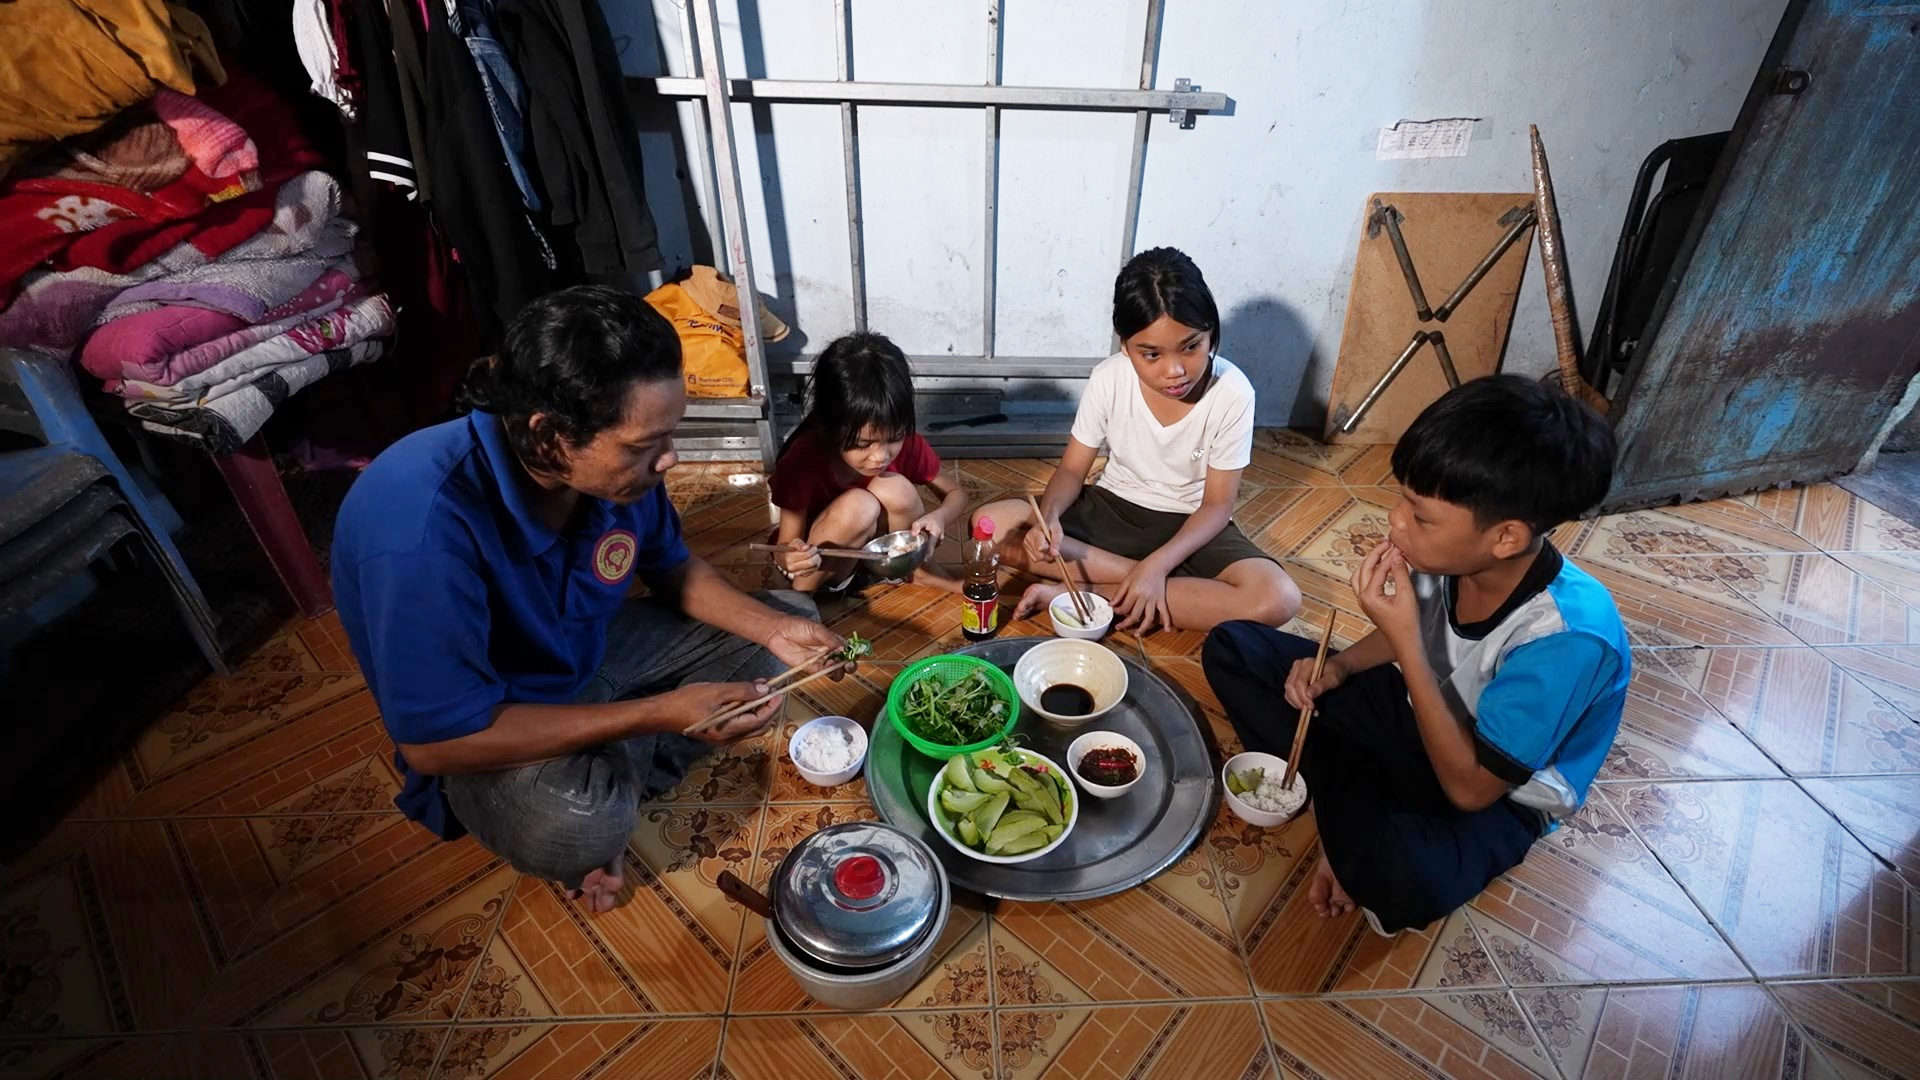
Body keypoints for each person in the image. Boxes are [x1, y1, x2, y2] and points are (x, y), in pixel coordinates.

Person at [332, 285, 847, 914]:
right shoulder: (419, 524)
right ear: (549, 436)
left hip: (589, 656)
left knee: (793, 623)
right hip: (495, 718)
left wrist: (769, 630)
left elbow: (672, 567)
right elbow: (434, 743)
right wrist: (658, 712)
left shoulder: (616, 476)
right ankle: (616, 763)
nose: (670, 459)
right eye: (642, 445)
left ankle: (612, 757)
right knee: (578, 825)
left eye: (670, 434)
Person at [1202, 375, 1628, 935]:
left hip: (1495, 793)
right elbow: (1424, 636)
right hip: (1417, 717)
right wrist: (1340, 667)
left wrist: (1402, 637)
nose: (1396, 521)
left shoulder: (1566, 638)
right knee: (1235, 647)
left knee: (1402, 872)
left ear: (1505, 537)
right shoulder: (1452, 558)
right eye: (1402, 496)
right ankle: (1355, 805)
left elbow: (1473, 789)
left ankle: (1349, 807)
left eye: (1421, 516)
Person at [977, 247, 1299, 634]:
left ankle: (1087, 590)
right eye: (1151, 354)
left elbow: (1216, 505)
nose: (1175, 371)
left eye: (1191, 346)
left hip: (1190, 527)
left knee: (1278, 597)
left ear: (1211, 331)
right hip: (1113, 510)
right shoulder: (1110, 377)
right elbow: (1072, 469)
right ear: (1125, 345)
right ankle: (1154, 587)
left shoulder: (1233, 393)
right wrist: (1049, 520)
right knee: (989, 525)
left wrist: (1159, 563)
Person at [766, 331, 968, 593]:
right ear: (830, 426)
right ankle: (801, 598)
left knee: (895, 488)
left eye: (893, 438)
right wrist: (792, 557)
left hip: (875, 561)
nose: (881, 456)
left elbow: (957, 493)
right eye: (863, 444)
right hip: (821, 570)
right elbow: (785, 545)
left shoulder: (907, 442)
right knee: (859, 505)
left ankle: (917, 572)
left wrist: (939, 518)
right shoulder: (803, 460)